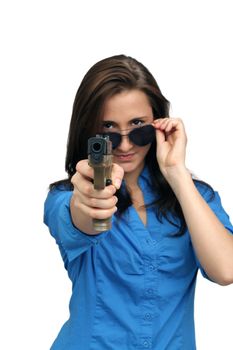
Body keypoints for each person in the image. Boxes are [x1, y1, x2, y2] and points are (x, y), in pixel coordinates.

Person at [44, 54, 233, 350]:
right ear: (89, 132)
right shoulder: (64, 197)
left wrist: (177, 173)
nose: (127, 145)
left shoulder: (197, 198)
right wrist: (92, 202)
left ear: (158, 124)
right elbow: (81, 218)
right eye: (108, 130)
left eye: (138, 126)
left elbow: (226, 270)